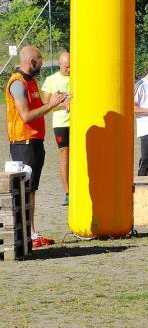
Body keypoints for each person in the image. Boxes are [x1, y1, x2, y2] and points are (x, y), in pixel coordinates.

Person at [6, 45, 69, 248]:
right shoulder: (18, 83)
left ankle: (31, 232)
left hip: (35, 142)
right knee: (25, 190)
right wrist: (52, 105)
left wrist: (61, 103)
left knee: (32, 190)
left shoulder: (31, 82)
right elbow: (26, 116)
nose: (42, 63)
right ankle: (26, 233)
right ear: (31, 62)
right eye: (40, 60)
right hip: (23, 143)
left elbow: (39, 109)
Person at [41, 51, 70, 205]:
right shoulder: (51, 80)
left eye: (71, 67)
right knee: (64, 155)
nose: (69, 70)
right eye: (66, 67)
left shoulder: (79, 77)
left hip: (79, 123)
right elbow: (45, 105)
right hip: (61, 123)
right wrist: (62, 104)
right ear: (59, 64)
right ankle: (67, 192)